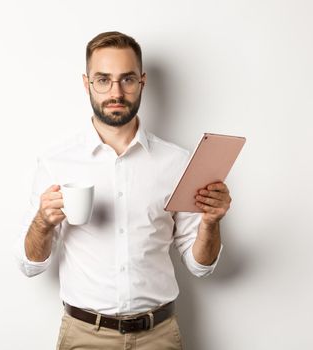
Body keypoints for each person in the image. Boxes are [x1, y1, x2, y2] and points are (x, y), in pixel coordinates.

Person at [16, 31, 232, 350]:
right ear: (87, 83)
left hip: (158, 336)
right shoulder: (56, 162)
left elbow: (200, 265)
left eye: (127, 79)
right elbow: (31, 265)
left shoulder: (177, 162)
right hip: (84, 336)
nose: (115, 92)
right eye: (103, 80)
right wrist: (42, 223)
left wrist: (211, 222)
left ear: (142, 82)